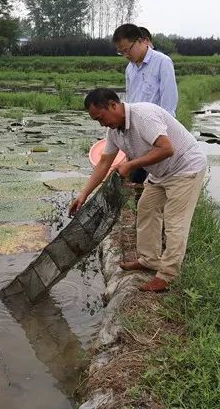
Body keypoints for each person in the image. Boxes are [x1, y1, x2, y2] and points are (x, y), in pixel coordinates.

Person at [69, 88, 206, 292]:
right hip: (160, 173)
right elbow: (104, 162)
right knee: (146, 209)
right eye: (97, 121)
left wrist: (131, 165)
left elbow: (167, 149)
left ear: (113, 105)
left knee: (175, 221)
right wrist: (83, 194)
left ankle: (167, 275)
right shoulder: (114, 130)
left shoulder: (143, 116)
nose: (102, 123)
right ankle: (150, 260)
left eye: (101, 117)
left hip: (185, 168)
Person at [114, 23, 178, 184]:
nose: (126, 55)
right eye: (121, 52)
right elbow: (130, 100)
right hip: (137, 132)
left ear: (142, 41)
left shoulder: (162, 62)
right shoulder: (130, 68)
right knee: (136, 179)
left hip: (156, 131)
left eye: (127, 49)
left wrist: (163, 134)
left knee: (154, 178)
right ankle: (139, 206)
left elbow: (169, 101)